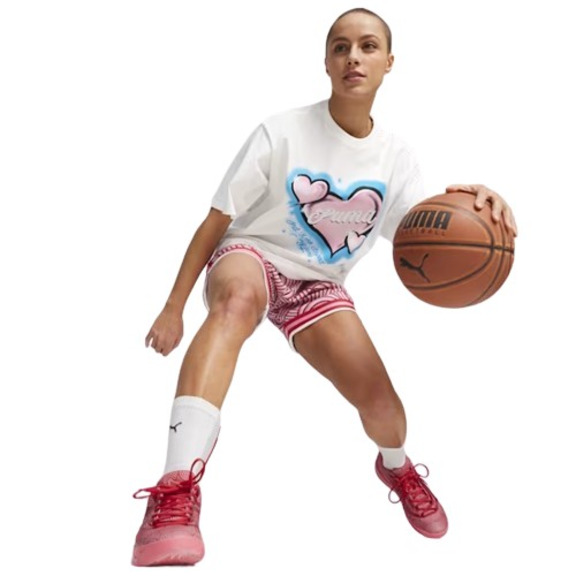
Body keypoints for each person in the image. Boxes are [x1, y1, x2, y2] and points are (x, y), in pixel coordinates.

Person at [131, 7, 518, 567]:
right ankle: (174, 492)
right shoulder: (282, 131)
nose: (353, 57)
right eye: (341, 47)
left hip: (318, 286)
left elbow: (422, 241)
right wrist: (173, 307)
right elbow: (216, 221)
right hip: (252, 256)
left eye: (367, 46)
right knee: (237, 301)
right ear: (327, 62)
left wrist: (479, 204)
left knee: (382, 403)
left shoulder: (396, 158)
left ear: (389, 62)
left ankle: (397, 466)